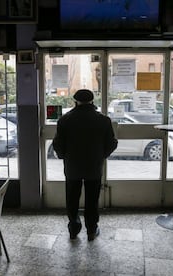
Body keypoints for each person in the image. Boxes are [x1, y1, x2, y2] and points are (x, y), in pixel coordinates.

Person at [52, 89, 118, 241]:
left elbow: (57, 143)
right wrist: (102, 155)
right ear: (92, 101)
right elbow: (112, 143)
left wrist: (64, 156)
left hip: (72, 167)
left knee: (72, 198)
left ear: (75, 101)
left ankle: (74, 229)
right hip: (94, 167)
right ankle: (91, 230)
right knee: (92, 199)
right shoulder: (103, 120)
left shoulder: (65, 119)